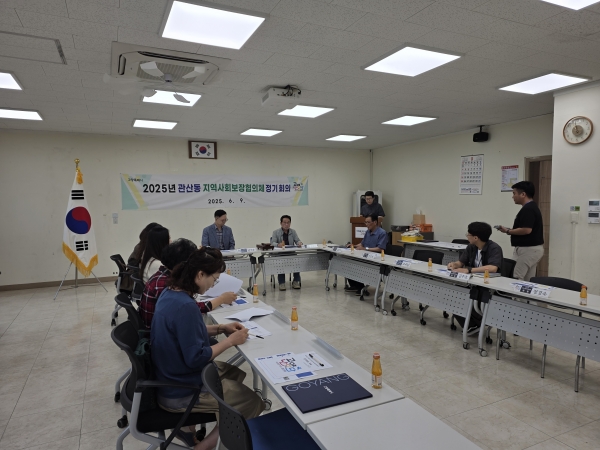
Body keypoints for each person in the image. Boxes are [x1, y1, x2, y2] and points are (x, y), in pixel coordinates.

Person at [151, 247, 265, 450]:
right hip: (180, 390)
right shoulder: (185, 306)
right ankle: (203, 447)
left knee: (233, 372)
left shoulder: (170, 293)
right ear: (200, 274)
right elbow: (196, 357)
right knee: (253, 402)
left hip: (170, 377)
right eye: (214, 279)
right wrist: (230, 341)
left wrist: (221, 328)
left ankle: (196, 425)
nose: (214, 284)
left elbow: (185, 331)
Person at [139, 238, 236, 329]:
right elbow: (192, 309)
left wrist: (220, 329)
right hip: (156, 335)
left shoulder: (163, 275)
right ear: (183, 264)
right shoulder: (167, 285)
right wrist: (221, 299)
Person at [498, 181, 544, 281]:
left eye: (514, 193)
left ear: (523, 194)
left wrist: (508, 231)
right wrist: (508, 230)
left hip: (528, 249)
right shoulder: (531, 207)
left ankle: (514, 293)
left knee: (516, 276)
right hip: (532, 249)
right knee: (528, 279)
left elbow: (526, 230)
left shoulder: (528, 209)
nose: (512, 196)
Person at [345, 214, 388, 296]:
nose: (366, 224)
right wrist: (354, 245)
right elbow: (362, 244)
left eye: (368, 222)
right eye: (365, 222)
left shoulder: (382, 233)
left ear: (375, 222)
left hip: (376, 259)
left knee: (357, 265)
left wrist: (365, 249)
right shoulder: (368, 232)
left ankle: (361, 288)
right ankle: (354, 285)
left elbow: (380, 248)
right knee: (349, 261)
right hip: (365, 256)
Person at [270, 215, 303, 290]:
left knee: (297, 261)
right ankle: (281, 283)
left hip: (291, 253)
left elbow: (297, 240)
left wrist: (299, 243)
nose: (286, 224)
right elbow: (272, 243)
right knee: (281, 263)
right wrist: (278, 245)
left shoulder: (293, 232)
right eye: (284, 222)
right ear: (281, 223)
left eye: (288, 222)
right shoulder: (275, 232)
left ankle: (296, 281)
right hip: (280, 254)